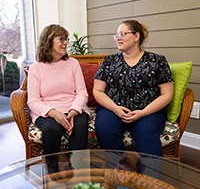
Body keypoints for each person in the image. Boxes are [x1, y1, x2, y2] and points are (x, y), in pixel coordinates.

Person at [93, 20, 174, 156]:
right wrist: (115, 109)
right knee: (104, 128)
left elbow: (166, 94)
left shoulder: (157, 61)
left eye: (123, 34)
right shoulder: (109, 61)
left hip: (148, 111)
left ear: (136, 36)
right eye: (116, 35)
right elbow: (98, 90)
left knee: (147, 133)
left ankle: (149, 177)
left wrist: (142, 112)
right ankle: (120, 172)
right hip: (113, 109)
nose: (118, 38)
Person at [27, 24, 90, 157]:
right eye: (61, 39)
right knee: (51, 128)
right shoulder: (35, 68)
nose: (65, 43)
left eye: (66, 39)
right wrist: (55, 114)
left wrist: (73, 112)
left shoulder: (73, 63)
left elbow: (81, 93)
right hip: (47, 111)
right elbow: (33, 101)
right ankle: (53, 172)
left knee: (81, 124)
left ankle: (76, 170)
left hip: (73, 107)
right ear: (48, 40)